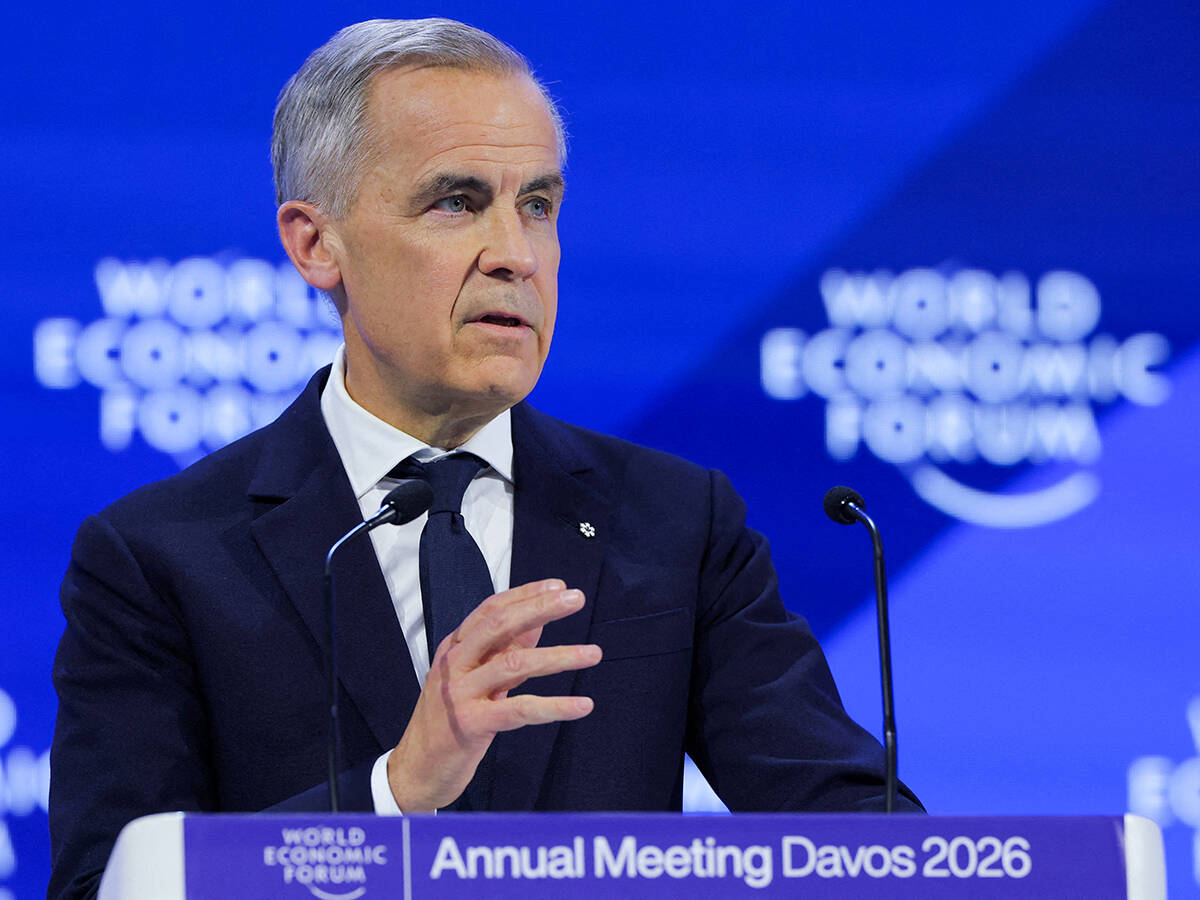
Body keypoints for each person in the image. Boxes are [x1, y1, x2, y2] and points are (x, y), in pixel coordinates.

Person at [48, 17, 920, 900]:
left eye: (537, 205)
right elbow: (106, 887)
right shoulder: (161, 557)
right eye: (456, 202)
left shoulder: (674, 524)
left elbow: (851, 829)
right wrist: (395, 794)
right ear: (316, 244)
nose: (515, 255)